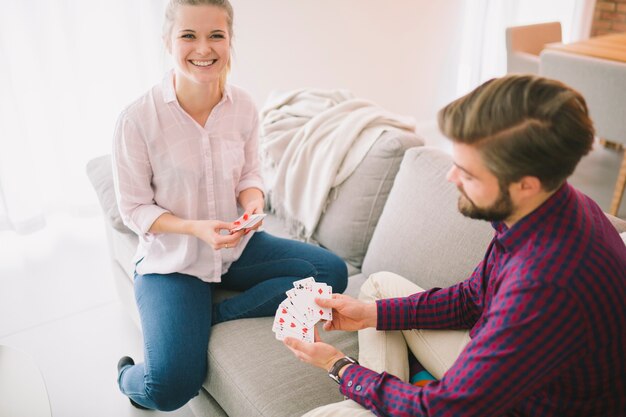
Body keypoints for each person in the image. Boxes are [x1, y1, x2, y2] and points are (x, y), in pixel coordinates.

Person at [284, 74, 626, 416]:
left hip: (525, 405)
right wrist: (370, 316)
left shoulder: (543, 285)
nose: (451, 178)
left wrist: (340, 366)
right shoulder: (548, 205)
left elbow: (442, 410)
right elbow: (472, 298)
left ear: (526, 185)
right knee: (377, 288)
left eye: (469, 173)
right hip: (508, 368)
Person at [112, 0, 347, 411]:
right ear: (167, 40)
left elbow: (250, 176)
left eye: (215, 35)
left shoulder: (244, 107)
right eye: (189, 35)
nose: (204, 48)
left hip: (237, 250)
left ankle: (216, 314)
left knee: (331, 273)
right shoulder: (136, 120)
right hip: (174, 264)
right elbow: (133, 209)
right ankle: (124, 376)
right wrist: (196, 229)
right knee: (168, 389)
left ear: (230, 40)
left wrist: (253, 205)